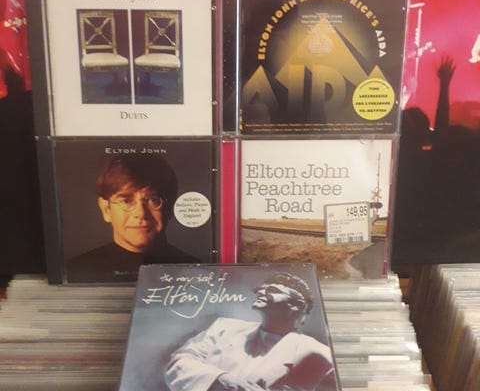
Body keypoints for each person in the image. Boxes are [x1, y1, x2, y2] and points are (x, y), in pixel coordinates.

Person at [165, 273, 336, 391]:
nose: (260, 292)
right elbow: (178, 362)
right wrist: (220, 379)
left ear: (297, 305)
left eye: (273, 290)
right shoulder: (223, 327)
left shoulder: (319, 353)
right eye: (261, 289)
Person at [66, 154, 196, 281]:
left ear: (170, 207)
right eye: (126, 201)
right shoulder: (74, 271)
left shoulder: (197, 272)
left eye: (153, 200)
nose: (141, 213)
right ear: (106, 209)